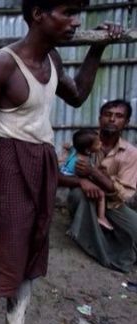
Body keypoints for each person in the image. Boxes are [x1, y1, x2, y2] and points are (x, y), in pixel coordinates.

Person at [0, 0, 123, 324]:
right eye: (67, 12)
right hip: (9, 161)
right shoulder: (2, 65)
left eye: (76, 14)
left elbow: (79, 94)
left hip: (42, 160)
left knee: (32, 254)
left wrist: (98, 47)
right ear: (39, 14)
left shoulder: (52, 58)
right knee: (6, 260)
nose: (74, 22)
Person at [60, 100, 137, 272]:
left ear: (126, 122)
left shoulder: (132, 154)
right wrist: (81, 181)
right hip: (86, 198)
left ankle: (101, 233)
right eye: (108, 114)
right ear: (99, 118)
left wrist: (93, 172)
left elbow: (122, 195)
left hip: (113, 204)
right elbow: (57, 174)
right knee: (79, 195)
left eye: (119, 116)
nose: (112, 119)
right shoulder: (83, 140)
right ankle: (98, 247)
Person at [60, 128, 112, 229]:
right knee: (101, 193)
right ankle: (101, 217)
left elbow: (71, 148)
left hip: (64, 172)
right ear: (88, 150)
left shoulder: (76, 150)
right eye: (98, 144)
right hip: (71, 178)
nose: (101, 143)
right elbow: (84, 175)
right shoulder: (83, 161)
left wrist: (67, 148)